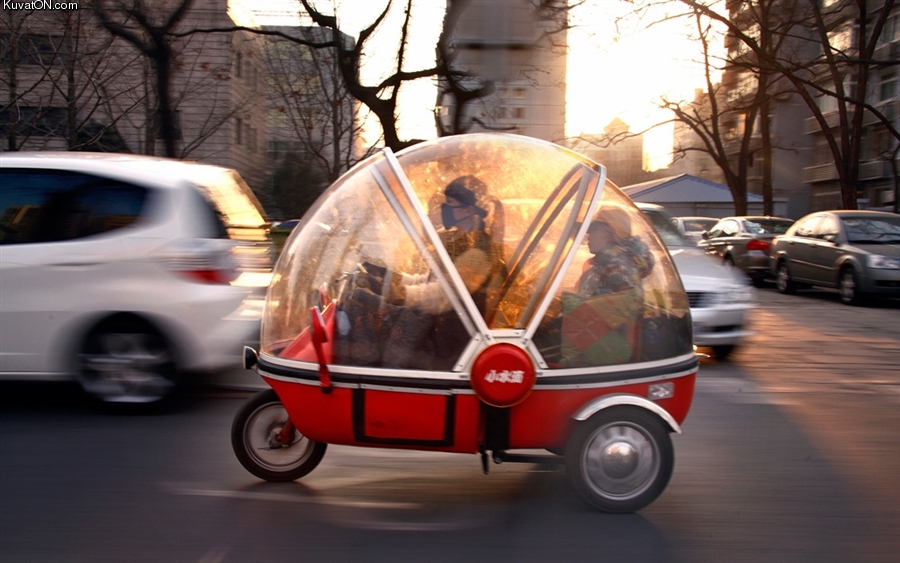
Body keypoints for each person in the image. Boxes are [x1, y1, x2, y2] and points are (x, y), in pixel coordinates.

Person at [560, 207, 655, 366]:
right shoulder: (607, 264)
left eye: (594, 230)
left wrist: (557, 303)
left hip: (597, 349)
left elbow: (595, 312)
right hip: (596, 339)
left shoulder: (617, 269)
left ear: (611, 234)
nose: (588, 236)